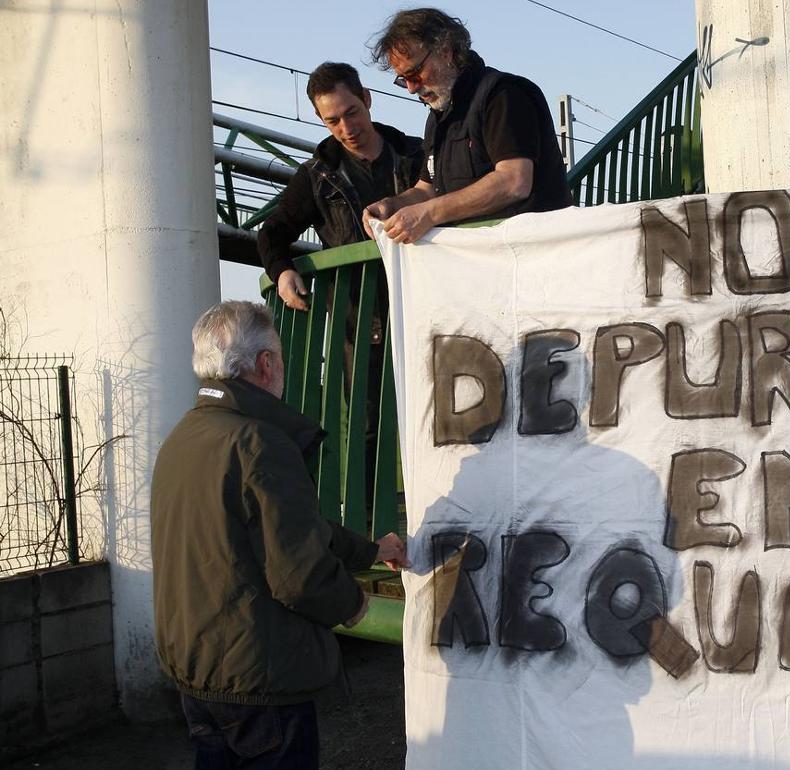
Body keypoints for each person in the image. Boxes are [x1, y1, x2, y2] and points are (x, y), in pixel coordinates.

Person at [151, 300, 409, 769]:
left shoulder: (184, 436)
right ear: (266, 364)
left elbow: (286, 528)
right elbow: (298, 573)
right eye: (282, 357)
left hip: (196, 669)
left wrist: (371, 549)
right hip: (258, 677)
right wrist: (352, 604)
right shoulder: (258, 441)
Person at [363, 8, 573, 244]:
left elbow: (514, 181)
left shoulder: (502, 95)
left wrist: (430, 213)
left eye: (415, 73)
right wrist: (392, 205)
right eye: (403, 79)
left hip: (534, 250)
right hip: (485, 258)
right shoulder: (438, 117)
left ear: (445, 51)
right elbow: (428, 188)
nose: (411, 88)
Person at [258, 61, 424, 310]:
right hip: (361, 331)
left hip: (424, 309)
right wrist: (282, 272)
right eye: (333, 120)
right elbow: (272, 232)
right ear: (319, 117)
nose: (346, 128)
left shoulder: (419, 154)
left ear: (366, 98)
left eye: (351, 113)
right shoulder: (315, 176)